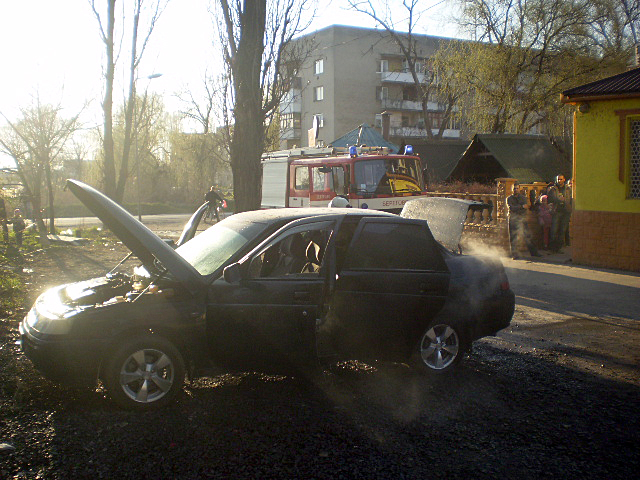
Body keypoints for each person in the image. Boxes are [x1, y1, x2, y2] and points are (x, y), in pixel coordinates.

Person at [507, 182, 541, 259]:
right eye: (514, 188)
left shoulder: (523, 198)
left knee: (528, 235)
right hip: (513, 219)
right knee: (513, 237)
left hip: (522, 218)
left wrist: (519, 207)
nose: (516, 190)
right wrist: (521, 206)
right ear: (512, 189)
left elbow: (525, 207)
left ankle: (534, 252)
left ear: (519, 189)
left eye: (517, 188)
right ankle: (515, 254)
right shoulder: (509, 198)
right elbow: (511, 208)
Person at [547, 174, 572, 253]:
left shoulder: (568, 189)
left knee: (562, 230)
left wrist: (569, 206)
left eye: (561, 179)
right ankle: (553, 248)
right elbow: (550, 199)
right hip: (556, 210)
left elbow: (570, 199)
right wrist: (559, 199)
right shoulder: (552, 189)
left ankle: (560, 248)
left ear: (564, 179)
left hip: (565, 211)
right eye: (558, 179)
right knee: (554, 230)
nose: (559, 181)